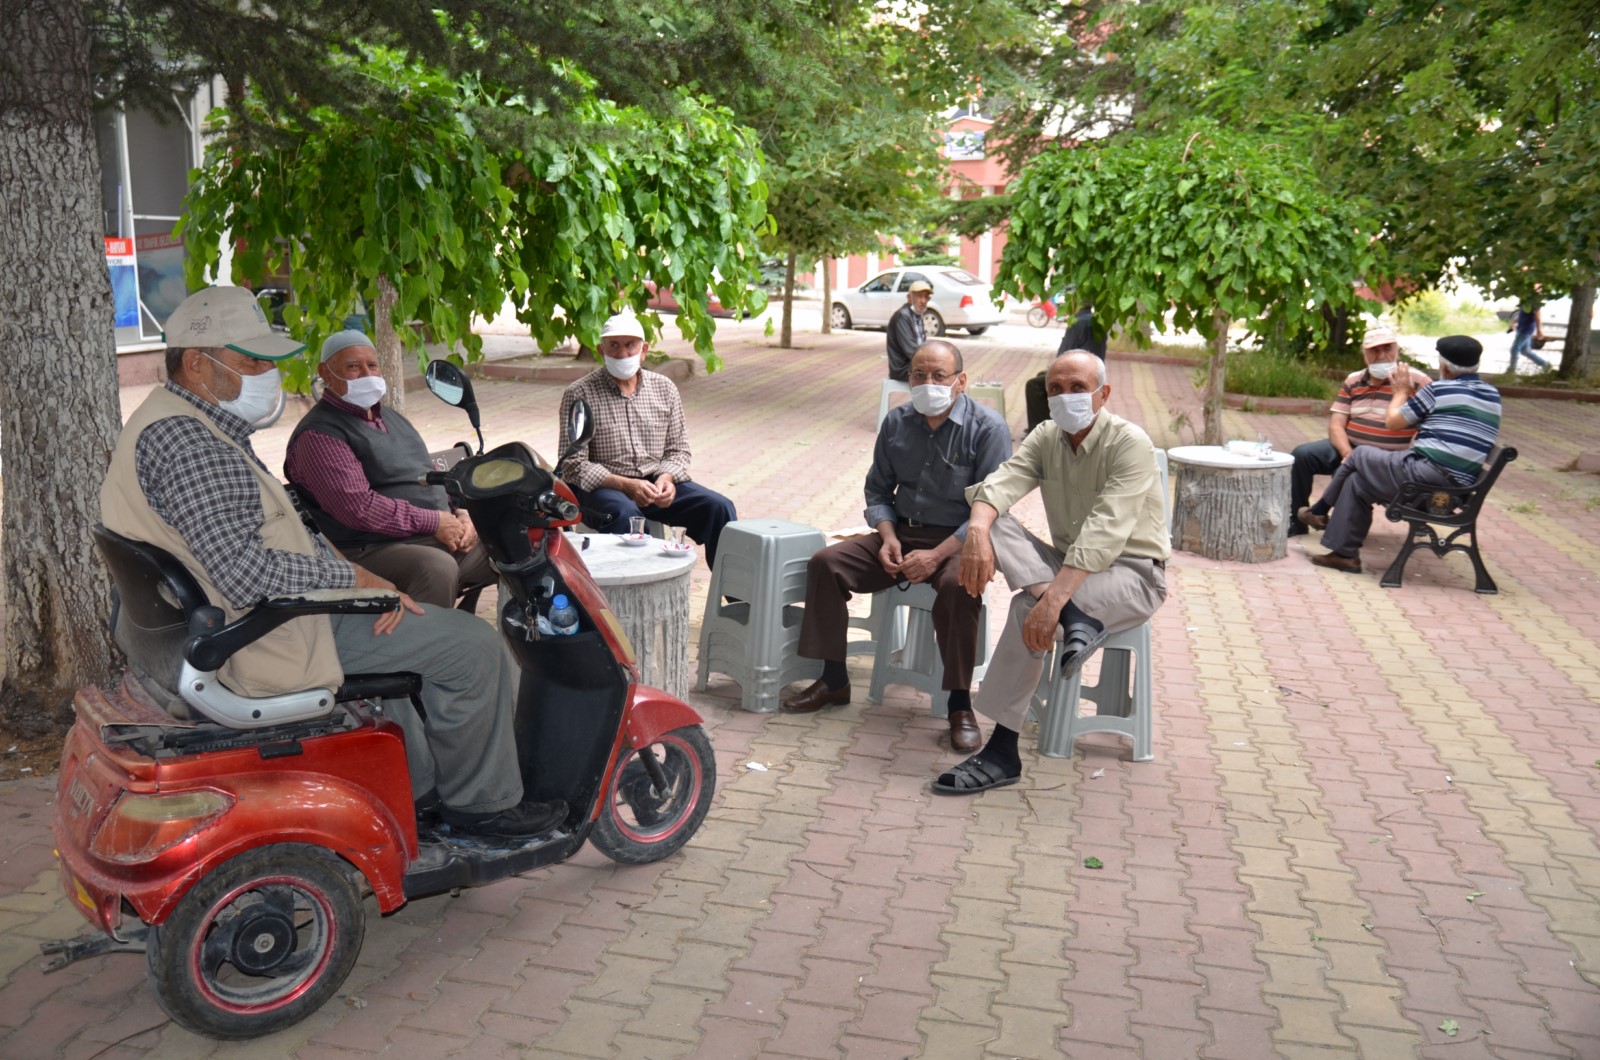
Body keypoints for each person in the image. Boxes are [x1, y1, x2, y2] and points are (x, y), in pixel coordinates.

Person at [101, 287, 563, 839]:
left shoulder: (185, 423)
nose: (268, 374)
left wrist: (352, 578)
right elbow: (246, 573)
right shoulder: (191, 445)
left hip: (247, 621)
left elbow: (272, 533)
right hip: (264, 636)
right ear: (199, 364)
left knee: (414, 630)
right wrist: (357, 581)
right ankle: (483, 808)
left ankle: (418, 791)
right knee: (472, 646)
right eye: (253, 362)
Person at [934, 351, 1170, 795]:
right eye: (1055, 389)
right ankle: (1075, 620)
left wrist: (1052, 602)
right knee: (993, 519)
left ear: (1103, 393)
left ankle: (1003, 750)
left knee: (1029, 607)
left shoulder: (1129, 442)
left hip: (1133, 576)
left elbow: (1104, 531)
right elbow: (1000, 485)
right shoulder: (1047, 436)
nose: (1065, 397)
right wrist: (978, 534)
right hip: (1067, 570)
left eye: (1077, 388)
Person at [780, 341, 1013, 751]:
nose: (928, 383)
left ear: (961, 380)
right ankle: (834, 678)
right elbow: (877, 489)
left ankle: (959, 705)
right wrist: (887, 537)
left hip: (959, 542)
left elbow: (991, 507)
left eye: (939, 375)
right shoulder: (897, 422)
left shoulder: (988, 428)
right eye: (918, 375)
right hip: (901, 533)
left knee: (959, 587)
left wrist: (938, 555)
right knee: (826, 563)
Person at [284, 330, 493, 609]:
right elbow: (358, 508)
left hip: (430, 533)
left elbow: (429, 476)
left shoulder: (391, 418)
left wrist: (462, 515)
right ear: (326, 372)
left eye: (372, 366)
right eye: (353, 367)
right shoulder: (320, 435)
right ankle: (431, 648)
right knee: (436, 567)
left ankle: (528, 634)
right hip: (368, 548)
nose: (366, 375)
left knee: (514, 541)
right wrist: (434, 522)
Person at [1299, 335, 1502, 574]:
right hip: (1457, 488)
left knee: (1360, 453)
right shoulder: (1492, 395)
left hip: (1427, 478)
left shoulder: (1438, 390)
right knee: (1357, 481)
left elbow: (1393, 422)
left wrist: (1401, 392)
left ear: (1444, 366)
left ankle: (1320, 509)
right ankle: (1344, 555)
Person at [558, 311, 737, 566]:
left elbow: (678, 450)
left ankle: (736, 597)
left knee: (719, 508)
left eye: (630, 345)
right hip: (604, 489)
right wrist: (626, 485)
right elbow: (573, 464)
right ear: (601, 350)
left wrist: (666, 479)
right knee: (628, 517)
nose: (622, 353)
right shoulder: (580, 393)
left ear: (644, 350)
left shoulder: (664, 388)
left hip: (655, 484)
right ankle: (639, 597)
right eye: (614, 346)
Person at [1287, 326, 1433, 536]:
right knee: (1302, 456)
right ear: (1364, 354)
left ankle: (1340, 527)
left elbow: (1431, 424)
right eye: (1375, 350)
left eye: (1387, 348)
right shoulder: (1354, 380)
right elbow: (1336, 424)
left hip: (1390, 456)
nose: (1382, 356)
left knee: (1345, 473)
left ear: (1397, 350)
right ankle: (1297, 521)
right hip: (1351, 447)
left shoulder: (1417, 381)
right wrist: (1347, 453)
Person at [886, 280, 934, 382]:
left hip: (914, 365)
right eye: (919, 296)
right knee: (940, 374)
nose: (923, 301)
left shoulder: (917, 314)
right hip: (902, 369)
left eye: (926, 297)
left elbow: (921, 345)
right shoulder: (903, 316)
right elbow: (911, 351)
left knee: (947, 371)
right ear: (909, 298)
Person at [1508, 302, 1551, 372]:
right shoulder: (1525, 299)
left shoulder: (1535, 302)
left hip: (1526, 329)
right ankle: (1545, 364)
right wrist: (1515, 322)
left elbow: (1538, 316)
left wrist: (1539, 330)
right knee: (1525, 351)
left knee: (1514, 349)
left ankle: (1511, 369)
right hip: (1521, 328)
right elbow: (1521, 314)